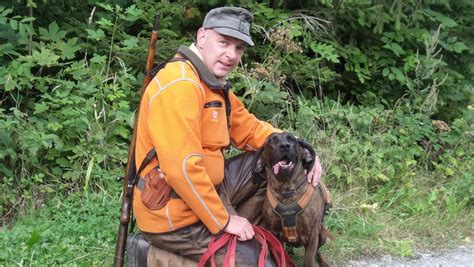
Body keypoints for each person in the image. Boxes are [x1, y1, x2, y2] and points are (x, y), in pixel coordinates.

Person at [132, 6, 323, 265]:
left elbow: (252, 129)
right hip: (175, 216)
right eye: (223, 42)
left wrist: (302, 150)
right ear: (201, 37)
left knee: (270, 153)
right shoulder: (181, 86)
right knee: (263, 264)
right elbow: (182, 169)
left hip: (210, 191)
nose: (231, 55)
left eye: (239, 48)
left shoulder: (210, 83)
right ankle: (152, 252)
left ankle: (257, 228)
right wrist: (223, 220)